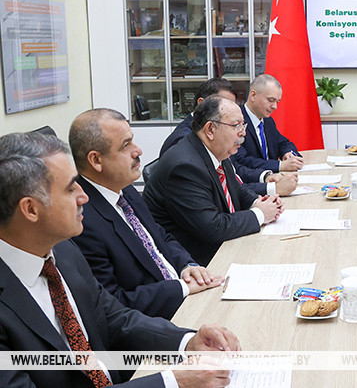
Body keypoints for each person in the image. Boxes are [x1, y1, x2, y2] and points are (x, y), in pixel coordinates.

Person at [0, 131, 239, 387]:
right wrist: (172, 382)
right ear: (31, 209)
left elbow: (113, 318)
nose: (84, 197)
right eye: (70, 189)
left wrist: (187, 342)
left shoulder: (63, 252)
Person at [69, 108, 222, 319]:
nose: (138, 150)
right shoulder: (82, 222)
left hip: (186, 293)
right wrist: (181, 288)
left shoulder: (125, 189)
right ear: (96, 160)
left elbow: (160, 236)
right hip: (162, 319)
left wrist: (187, 266)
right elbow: (114, 304)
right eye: (126, 145)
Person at [144, 97, 283, 265]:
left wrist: (258, 202)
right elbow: (212, 228)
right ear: (210, 129)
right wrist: (260, 214)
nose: (243, 133)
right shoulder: (185, 167)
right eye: (236, 126)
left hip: (224, 246)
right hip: (198, 262)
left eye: (243, 125)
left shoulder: (217, 150)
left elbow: (236, 189)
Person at [160, 78, 297, 197]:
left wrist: (265, 177)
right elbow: (220, 193)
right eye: (224, 105)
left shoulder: (215, 134)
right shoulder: (183, 142)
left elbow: (233, 171)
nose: (242, 132)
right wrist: (271, 189)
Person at [232, 74, 304, 173]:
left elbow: (283, 143)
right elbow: (242, 160)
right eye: (271, 100)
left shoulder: (268, 121)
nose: (275, 106)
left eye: (277, 102)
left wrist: (288, 153)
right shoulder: (236, 122)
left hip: (276, 178)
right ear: (253, 96)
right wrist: (280, 165)